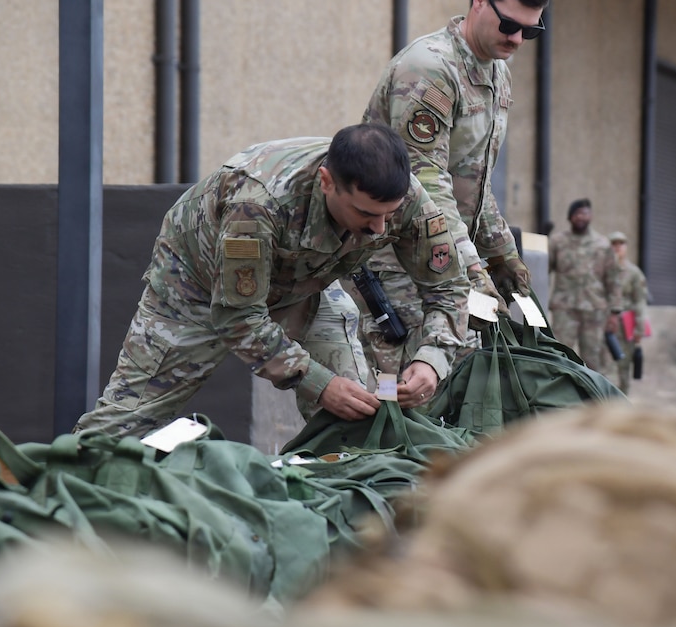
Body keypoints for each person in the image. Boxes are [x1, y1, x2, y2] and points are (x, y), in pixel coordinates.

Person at [73, 125, 470, 438]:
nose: (379, 228)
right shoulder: (259, 203)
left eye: (389, 215)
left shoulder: (407, 199)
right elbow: (239, 319)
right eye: (367, 214)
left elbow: (449, 288)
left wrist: (431, 361)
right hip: (194, 286)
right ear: (327, 182)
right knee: (123, 424)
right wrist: (316, 381)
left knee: (356, 414)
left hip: (307, 285)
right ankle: (50, 505)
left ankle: (334, 524)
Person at [352, 0, 550, 373]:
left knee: (463, 383)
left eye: (529, 32)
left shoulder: (496, 71)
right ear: (480, 0)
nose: (516, 40)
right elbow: (425, 182)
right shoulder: (430, 70)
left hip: (442, 255)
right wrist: (473, 266)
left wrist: (503, 257)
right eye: (509, 25)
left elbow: (474, 183)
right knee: (406, 386)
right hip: (395, 255)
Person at [548, 199, 622, 373]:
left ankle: (594, 397)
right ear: (570, 217)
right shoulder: (557, 242)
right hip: (565, 309)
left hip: (594, 310)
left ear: (591, 216)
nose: (581, 217)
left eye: (585, 213)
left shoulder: (603, 245)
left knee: (593, 357)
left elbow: (613, 279)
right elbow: (543, 269)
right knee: (560, 354)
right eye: (577, 213)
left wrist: (615, 312)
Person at [609, 231, 649, 392]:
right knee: (603, 365)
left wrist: (639, 328)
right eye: (614, 244)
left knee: (623, 364)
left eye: (621, 244)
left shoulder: (633, 273)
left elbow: (639, 300)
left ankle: (622, 399)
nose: (617, 247)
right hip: (603, 323)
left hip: (624, 324)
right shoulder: (602, 270)